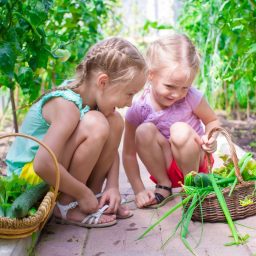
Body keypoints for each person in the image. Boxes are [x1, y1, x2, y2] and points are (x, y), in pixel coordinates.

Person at [5, 37, 147, 227]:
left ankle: (96, 199)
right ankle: (68, 204)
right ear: (103, 82)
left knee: (114, 122)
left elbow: (111, 149)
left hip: (56, 172)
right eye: (129, 93)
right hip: (29, 178)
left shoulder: (90, 98)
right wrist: (82, 193)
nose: (130, 103)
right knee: (96, 123)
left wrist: (112, 185)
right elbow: (42, 164)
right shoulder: (66, 106)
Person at [122, 32, 220, 209]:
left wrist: (211, 137)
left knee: (180, 130)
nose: (177, 94)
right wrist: (139, 190)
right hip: (165, 166)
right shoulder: (138, 108)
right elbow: (128, 154)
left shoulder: (191, 97)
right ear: (150, 75)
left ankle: (192, 186)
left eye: (185, 87)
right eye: (169, 86)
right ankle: (164, 185)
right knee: (143, 131)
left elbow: (212, 120)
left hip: (196, 164)